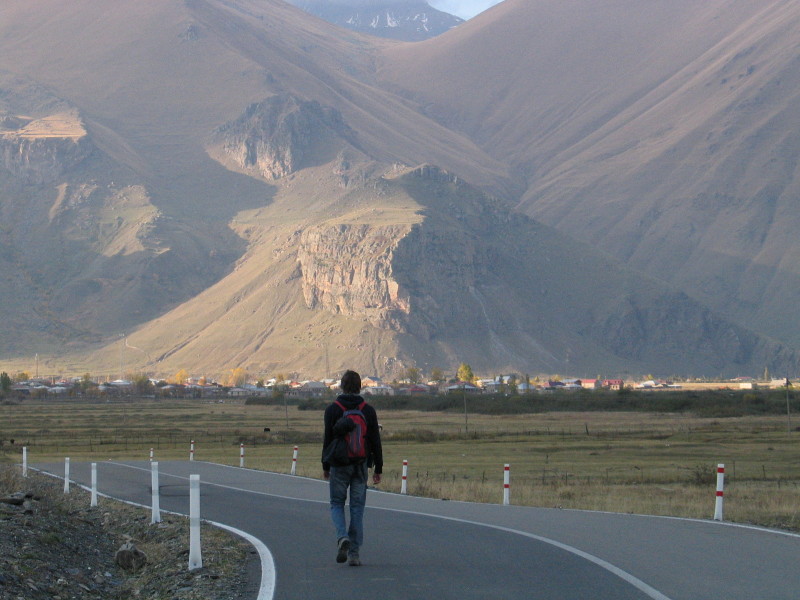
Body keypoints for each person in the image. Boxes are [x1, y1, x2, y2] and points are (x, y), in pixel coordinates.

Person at [322, 370, 382, 566]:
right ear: (360, 386)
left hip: (339, 465)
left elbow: (327, 440)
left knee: (336, 503)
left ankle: (342, 537)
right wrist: (378, 467)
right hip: (360, 464)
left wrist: (325, 464)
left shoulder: (333, 409)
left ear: (341, 385)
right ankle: (354, 554)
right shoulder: (367, 410)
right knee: (357, 508)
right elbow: (375, 440)